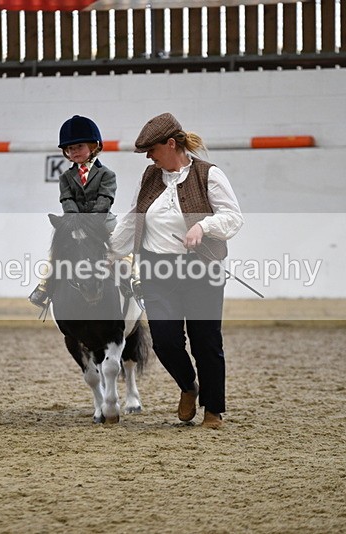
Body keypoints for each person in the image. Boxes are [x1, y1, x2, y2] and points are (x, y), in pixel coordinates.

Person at [110, 112, 244, 429]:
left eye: (152, 150)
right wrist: (111, 252)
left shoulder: (208, 175)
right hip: (157, 270)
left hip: (201, 269)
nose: (149, 157)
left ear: (171, 144)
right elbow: (133, 219)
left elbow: (233, 217)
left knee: (206, 341)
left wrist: (203, 225)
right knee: (165, 341)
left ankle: (213, 410)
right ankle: (188, 386)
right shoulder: (149, 178)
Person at [29, 115, 118, 309]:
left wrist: (91, 222)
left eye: (79, 147)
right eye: (69, 149)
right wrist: (75, 220)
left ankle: (135, 283)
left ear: (94, 146)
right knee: (56, 253)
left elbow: (105, 199)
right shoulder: (65, 177)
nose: (73, 151)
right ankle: (44, 286)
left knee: (123, 250)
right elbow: (66, 199)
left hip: (101, 223)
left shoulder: (107, 175)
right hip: (74, 223)